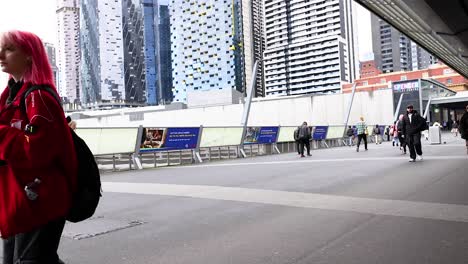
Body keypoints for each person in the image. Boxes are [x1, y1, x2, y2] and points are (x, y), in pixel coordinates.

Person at [0, 30, 77, 264]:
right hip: (17, 200)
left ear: (29, 56)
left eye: (9, 48)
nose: (1, 54)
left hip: (40, 199)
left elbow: (36, 150)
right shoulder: (10, 97)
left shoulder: (38, 98)